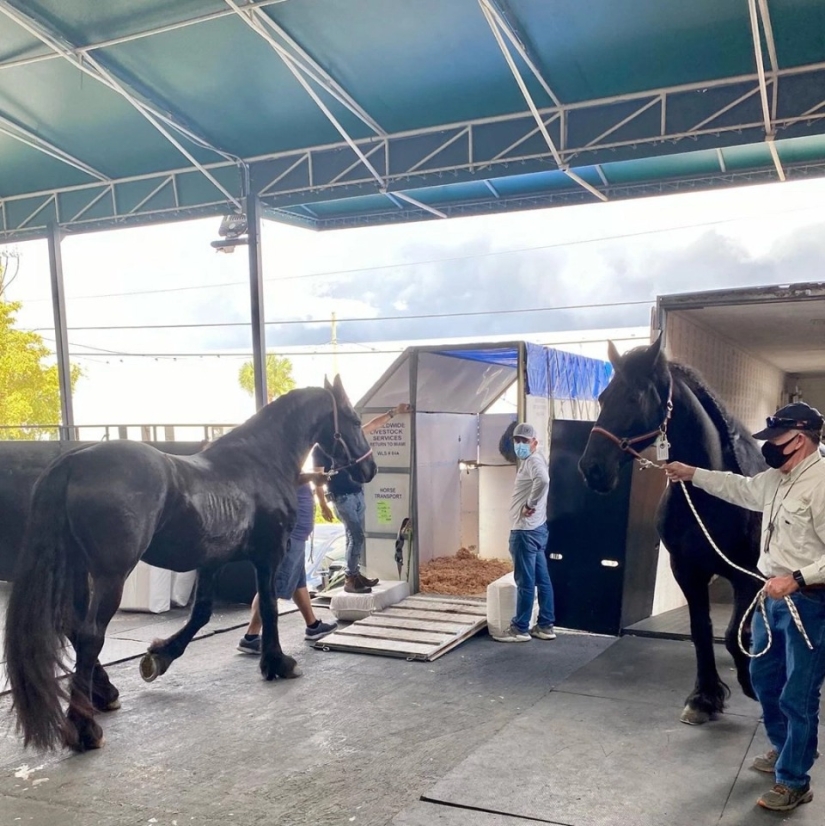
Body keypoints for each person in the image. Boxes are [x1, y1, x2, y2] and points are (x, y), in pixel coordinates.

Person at [665, 402, 825, 813]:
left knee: (798, 694)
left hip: (808, 602)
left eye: (776, 440)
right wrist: (692, 474)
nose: (769, 448)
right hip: (772, 599)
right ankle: (783, 749)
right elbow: (739, 487)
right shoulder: (776, 479)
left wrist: (799, 578)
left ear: (800, 440)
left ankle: (795, 780)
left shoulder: (822, 484)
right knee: (764, 678)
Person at [314, 402, 411, 594]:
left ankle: (354, 575)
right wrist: (323, 505)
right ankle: (350, 578)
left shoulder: (345, 439)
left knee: (353, 536)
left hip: (358, 492)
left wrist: (394, 412)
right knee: (356, 536)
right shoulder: (320, 449)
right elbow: (317, 478)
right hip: (342, 497)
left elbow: (372, 426)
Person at [238, 482, 338, 653]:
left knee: (299, 582)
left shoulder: (293, 463)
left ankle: (312, 625)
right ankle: (251, 636)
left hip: (296, 535)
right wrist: (314, 476)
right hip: (289, 535)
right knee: (272, 586)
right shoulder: (282, 463)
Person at [493, 422, 556, 643]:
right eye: (517, 440)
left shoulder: (532, 461)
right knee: (542, 579)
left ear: (534, 443)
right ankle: (545, 625)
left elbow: (544, 480)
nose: (519, 444)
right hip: (537, 530)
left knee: (526, 581)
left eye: (524, 441)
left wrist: (530, 503)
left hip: (524, 532)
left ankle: (520, 628)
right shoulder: (533, 460)